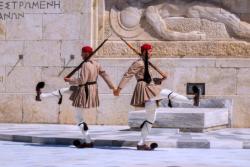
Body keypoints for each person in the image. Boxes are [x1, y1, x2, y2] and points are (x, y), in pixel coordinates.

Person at [37, 46, 116, 148]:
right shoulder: (96, 64)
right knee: (64, 90)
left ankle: (88, 141)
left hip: (84, 90)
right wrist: (113, 87)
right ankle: (42, 95)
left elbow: (82, 81)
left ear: (86, 54)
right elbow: (105, 75)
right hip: (91, 90)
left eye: (82, 53)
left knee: (79, 118)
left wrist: (70, 80)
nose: (81, 55)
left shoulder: (86, 65)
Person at [114, 43, 168, 150]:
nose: (151, 53)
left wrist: (161, 79)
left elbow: (150, 79)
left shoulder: (147, 63)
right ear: (144, 52)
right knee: (152, 115)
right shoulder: (139, 63)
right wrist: (119, 89)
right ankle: (141, 142)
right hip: (145, 90)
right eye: (149, 51)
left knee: (151, 118)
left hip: (151, 88)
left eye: (151, 51)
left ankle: (141, 142)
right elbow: (127, 75)